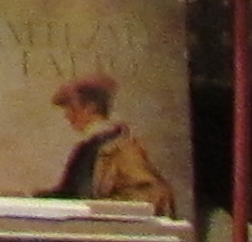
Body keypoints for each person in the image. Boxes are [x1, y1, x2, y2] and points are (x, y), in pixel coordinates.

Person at [47, 72, 175, 214]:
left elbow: (148, 195)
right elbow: (69, 194)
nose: (67, 115)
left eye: (72, 108)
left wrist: (101, 210)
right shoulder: (85, 149)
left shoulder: (123, 150)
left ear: (91, 108)